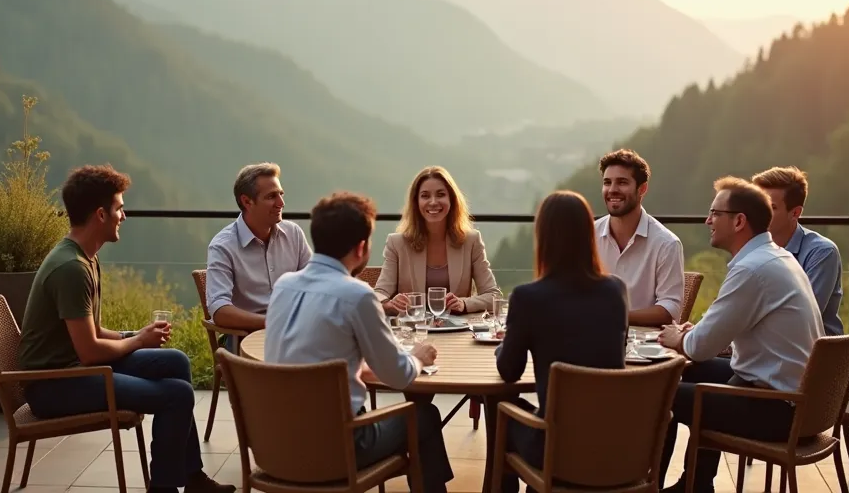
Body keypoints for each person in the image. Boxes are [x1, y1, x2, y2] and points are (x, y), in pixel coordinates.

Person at [18, 165, 235, 493]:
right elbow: (89, 349)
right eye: (119, 208)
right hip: (54, 385)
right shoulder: (71, 269)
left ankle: (191, 477)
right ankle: (163, 488)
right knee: (177, 395)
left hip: (75, 369)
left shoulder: (85, 257)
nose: (124, 215)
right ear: (100, 215)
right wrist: (137, 342)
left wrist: (133, 335)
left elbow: (92, 331)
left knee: (176, 362)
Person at [264, 191, 455, 493]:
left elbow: (310, 354)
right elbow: (398, 375)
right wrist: (417, 356)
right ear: (361, 247)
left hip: (274, 446)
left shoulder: (284, 286)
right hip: (338, 450)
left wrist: (359, 369)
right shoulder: (357, 295)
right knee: (425, 416)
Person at [654, 177, 824, 493]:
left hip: (778, 409)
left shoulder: (751, 269)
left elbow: (699, 346)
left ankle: (650, 485)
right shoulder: (776, 256)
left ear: (739, 221)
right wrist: (694, 338)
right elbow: (726, 333)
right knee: (691, 373)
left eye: (714, 213)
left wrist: (682, 338)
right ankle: (697, 484)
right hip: (797, 401)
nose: (708, 221)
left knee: (660, 393)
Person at [488, 190, 630, 493]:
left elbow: (509, 371)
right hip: (616, 446)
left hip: (556, 449)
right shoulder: (615, 290)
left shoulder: (528, 298)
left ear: (543, 236)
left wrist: (505, 343)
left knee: (499, 403)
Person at [206, 163, 312, 346]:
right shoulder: (222, 246)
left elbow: (317, 283)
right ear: (247, 202)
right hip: (244, 338)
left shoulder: (293, 233)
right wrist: (271, 323)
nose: (281, 203)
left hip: (294, 333)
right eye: (272, 196)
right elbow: (219, 310)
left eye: (281, 194)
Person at [376, 166, 503, 316]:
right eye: (425, 196)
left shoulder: (471, 241)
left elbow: (493, 295)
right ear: (416, 202)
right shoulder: (397, 243)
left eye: (441, 194)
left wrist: (464, 303)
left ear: (452, 200)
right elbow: (380, 293)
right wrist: (389, 304)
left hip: (457, 333)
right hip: (414, 331)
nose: (433, 202)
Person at [593, 149, 685, 326]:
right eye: (607, 182)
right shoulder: (589, 235)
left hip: (646, 347)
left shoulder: (666, 243)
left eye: (622, 182)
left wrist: (615, 317)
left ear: (642, 189)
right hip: (593, 336)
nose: (612, 190)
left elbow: (669, 310)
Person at [752, 166, 845, 335]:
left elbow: (802, 317)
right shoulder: (754, 247)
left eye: (771, 208)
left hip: (813, 355)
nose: (758, 214)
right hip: (761, 349)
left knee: (700, 360)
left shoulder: (822, 253)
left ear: (795, 213)